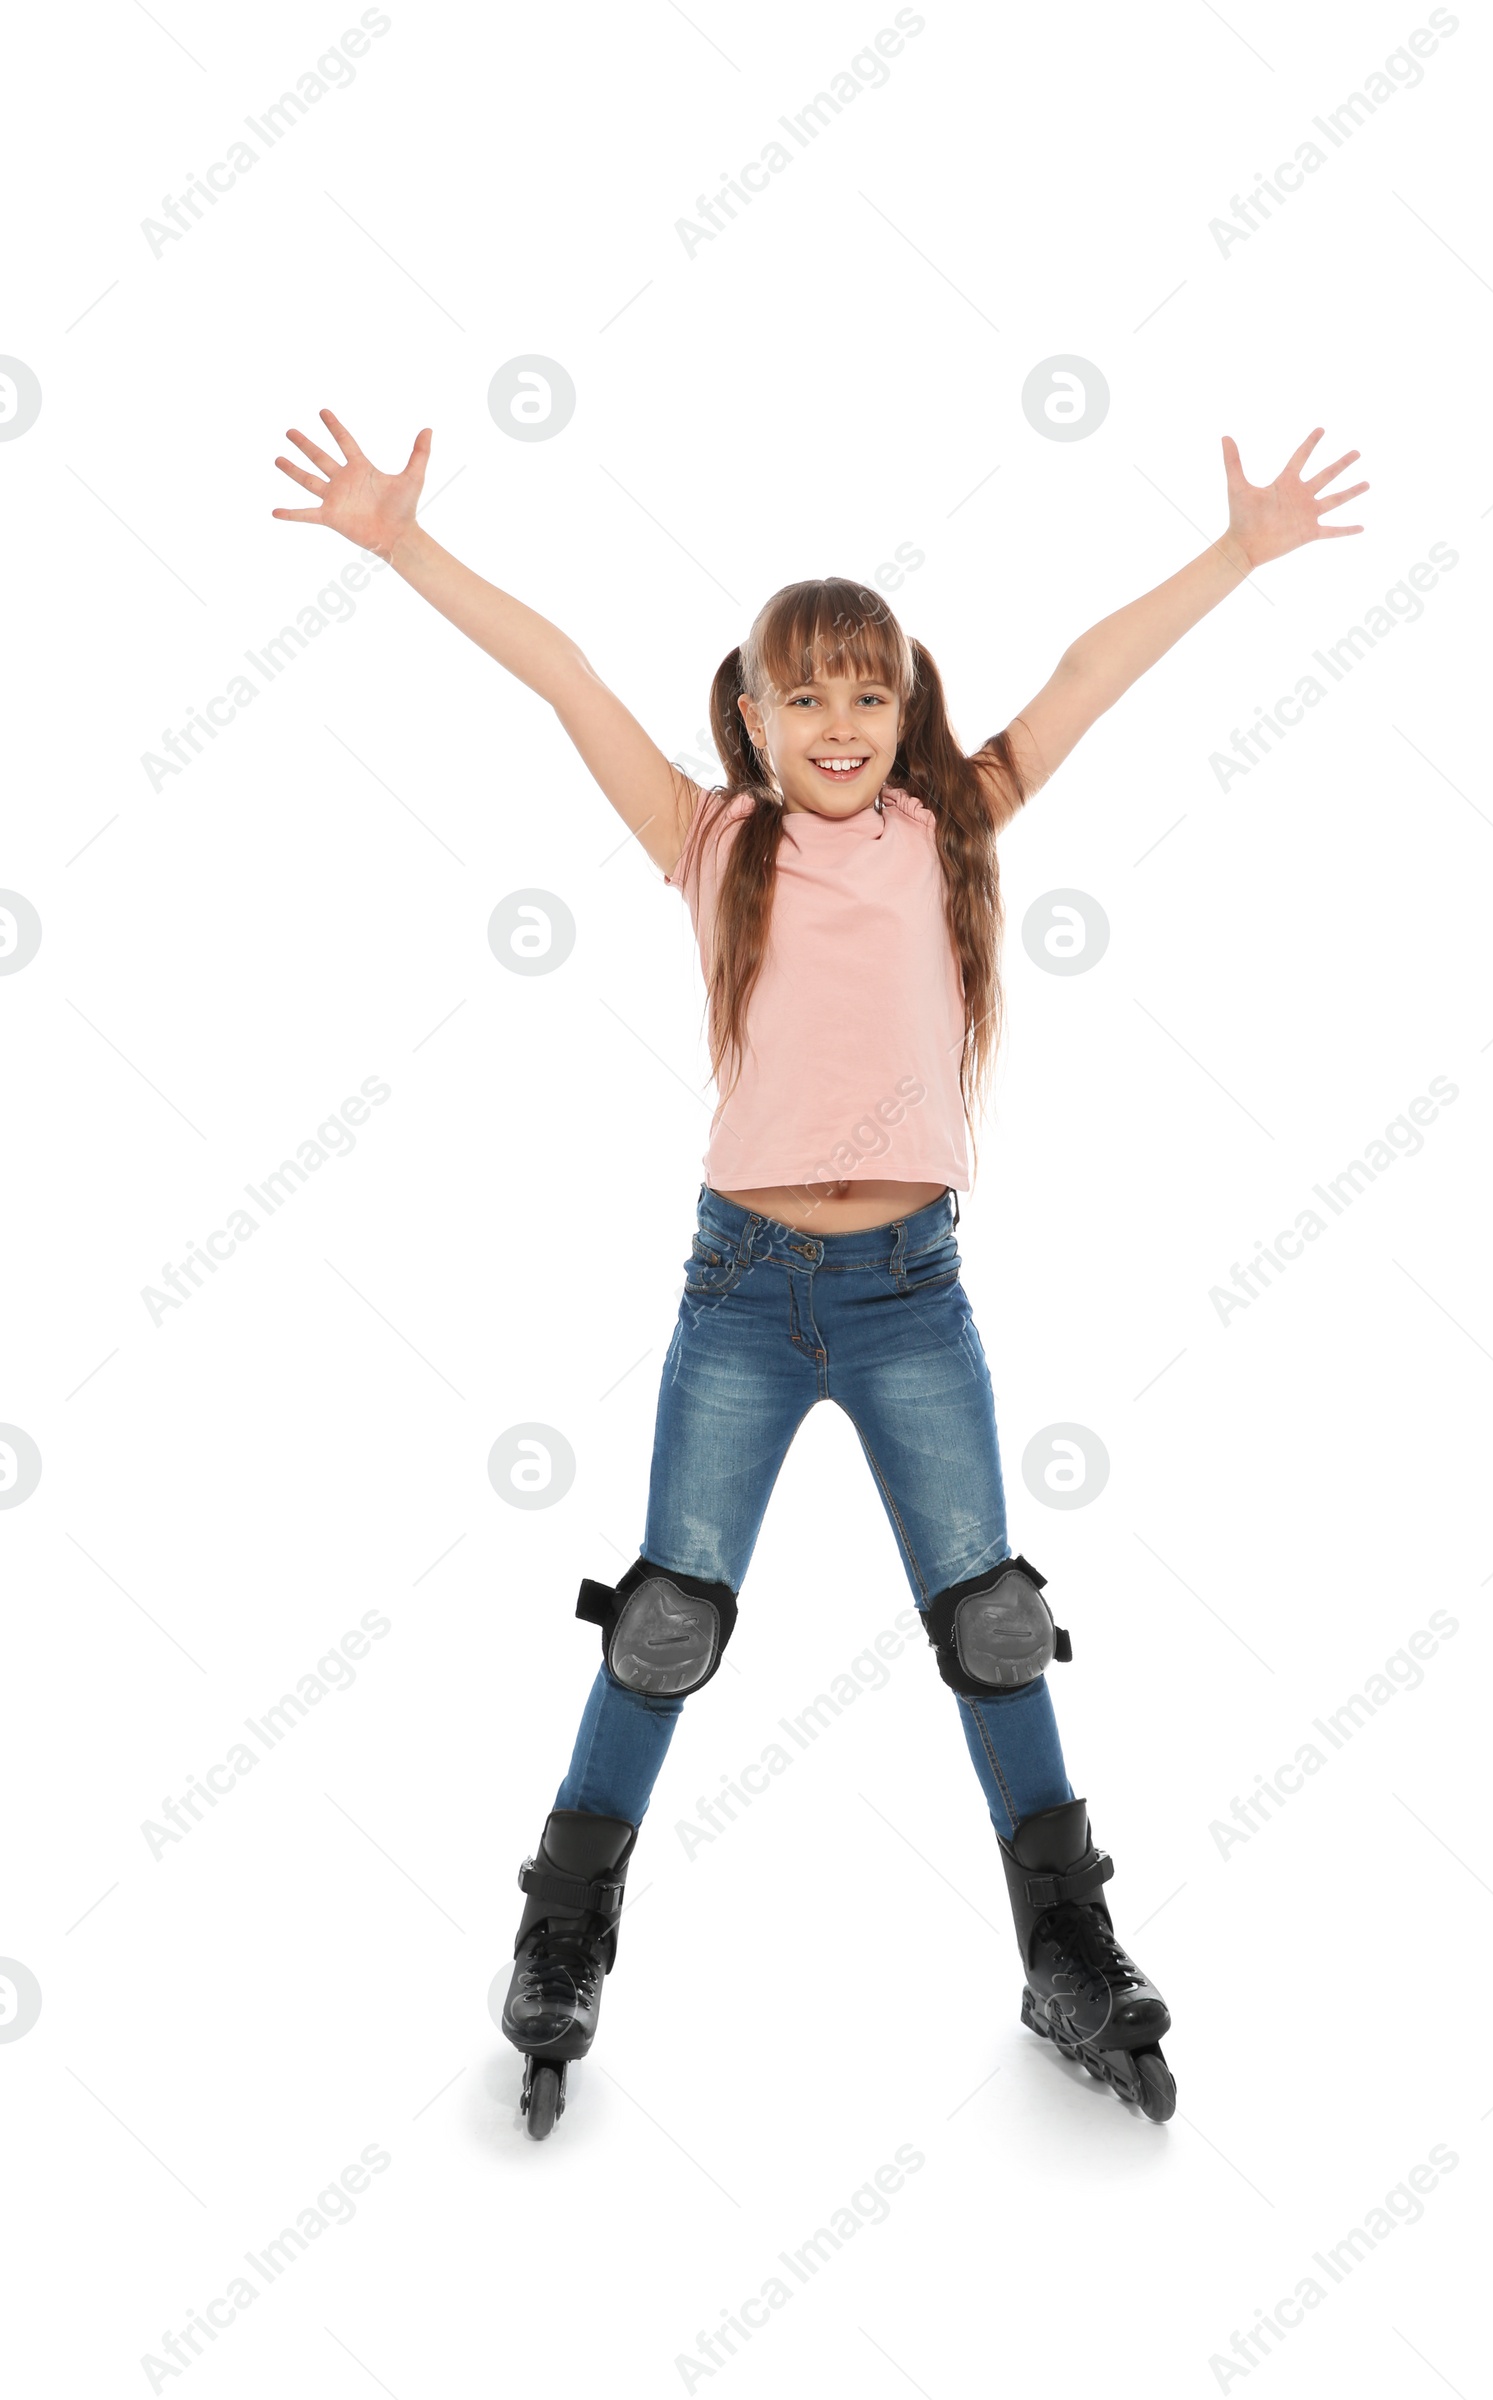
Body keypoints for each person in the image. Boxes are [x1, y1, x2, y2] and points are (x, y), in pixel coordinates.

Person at [272, 410, 1367, 2133]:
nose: (842, 722)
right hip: (742, 1298)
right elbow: (561, 675)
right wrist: (404, 544)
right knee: (664, 1624)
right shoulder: (714, 847)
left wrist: (1236, 553)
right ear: (752, 717)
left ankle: (1068, 1949)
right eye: (807, 694)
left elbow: (1088, 673)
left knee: (994, 1621)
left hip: (911, 1298)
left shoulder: (953, 830)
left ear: (904, 711)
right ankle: (563, 1937)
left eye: (871, 690)